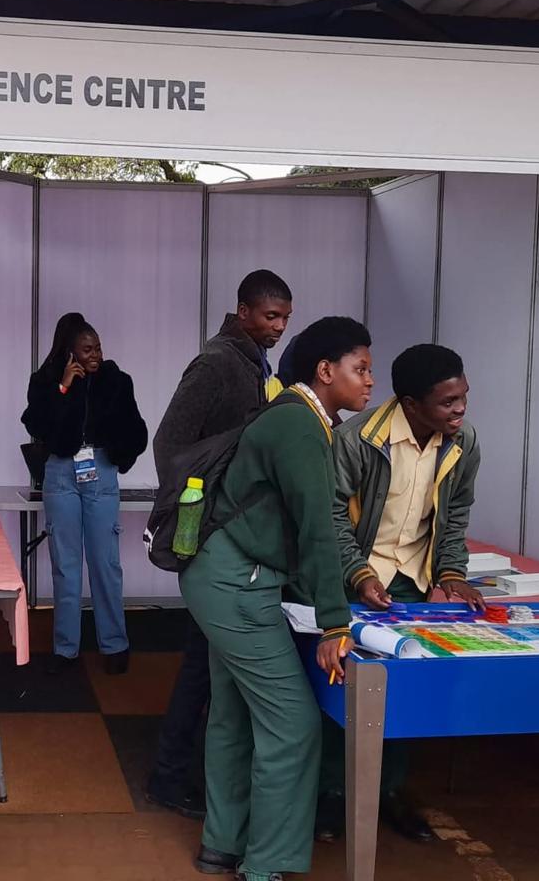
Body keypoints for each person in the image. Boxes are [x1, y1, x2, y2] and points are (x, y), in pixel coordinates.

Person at [180, 324, 367, 881]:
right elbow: (318, 531)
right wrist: (337, 625)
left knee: (234, 716)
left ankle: (223, 843)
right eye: (360, 368)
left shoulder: (288, 414)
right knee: (293, 724)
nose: (370, 381)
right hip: (238, 586)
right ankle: (264, 865)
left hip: (220, 576)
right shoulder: (300, 426)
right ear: (325, 371)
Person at [320, 343, 484, 843]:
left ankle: (387, 792)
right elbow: (328, 516)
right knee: (341, 687)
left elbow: (455, 516)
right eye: (447, 402)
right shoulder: (356, 439)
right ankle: (330, 797)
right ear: (410, 404)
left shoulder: (463, 442)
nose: (459, 410)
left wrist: (452, 573)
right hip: (357, 581)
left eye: (463, 398)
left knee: (402, 695)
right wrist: (357, 574)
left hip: (412, 584)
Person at [147, 269, 293, 819]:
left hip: (234, 536)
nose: (277, 327)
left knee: (205, 664)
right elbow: (170, 443)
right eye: (269, 316)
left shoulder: (253, 360)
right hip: (214, 533)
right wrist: (205, 498)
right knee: (201, 666)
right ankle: (170, 776)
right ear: (242, 310)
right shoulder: (216, 362)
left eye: (284, 318)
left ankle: (181, 775)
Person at [22, 313, 147, 675]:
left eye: (98, 348)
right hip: (61, 474)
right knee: (66, 565)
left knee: (106, 562)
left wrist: (118, 456)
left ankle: (115, 645)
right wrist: (63, 388)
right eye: (87, 349)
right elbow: (41, 426)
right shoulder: (45, 381)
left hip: (101, 472)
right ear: (70, 353)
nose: (95, 355)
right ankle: (66, 649)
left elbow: (136, 430)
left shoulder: (117, 382)